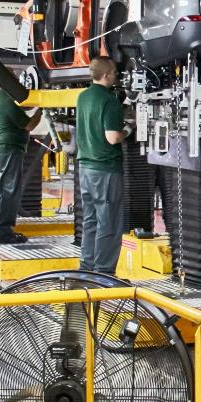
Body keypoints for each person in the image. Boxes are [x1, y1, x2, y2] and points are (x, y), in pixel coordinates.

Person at [75, 56, 130, 275]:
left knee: (90, 221)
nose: (117, 75)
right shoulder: (109, 101)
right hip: (105, 169)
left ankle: (86, 268)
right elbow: (113, 138)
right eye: (115, 72)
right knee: (108, 223)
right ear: (106, 74)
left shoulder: (83, 97)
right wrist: (129, 130)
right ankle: (104, 273)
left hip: (85, 168)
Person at [0, 85, 42, 244]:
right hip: (8, 150)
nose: (17, 83)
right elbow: (29, 125)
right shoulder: (5, 98)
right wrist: (42, 109)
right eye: (13, 80)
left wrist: (33, 100)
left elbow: (20, 106)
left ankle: (1, 230)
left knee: (1, 191)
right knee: (9, 191)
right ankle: (3, 233)